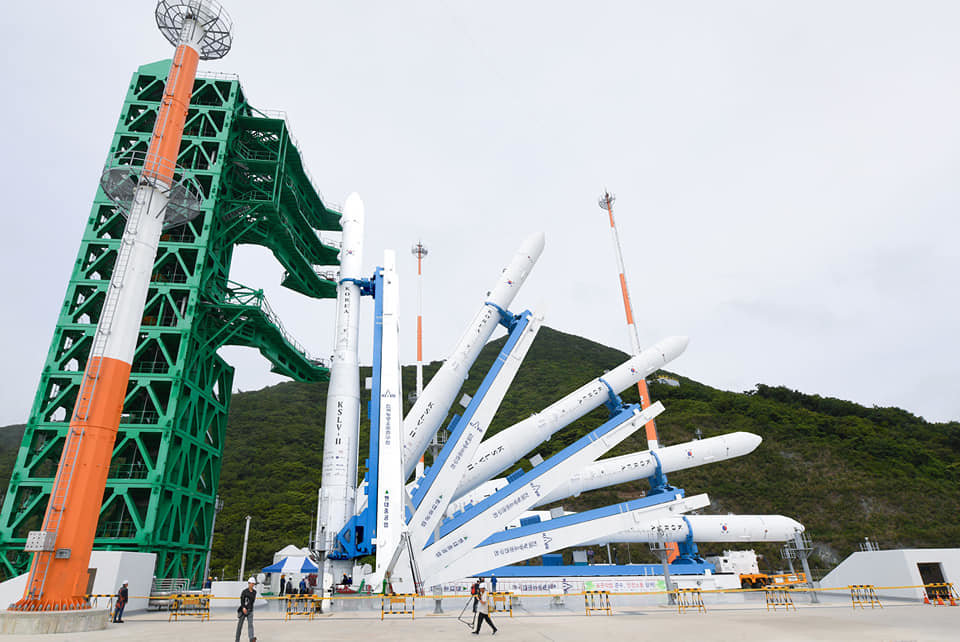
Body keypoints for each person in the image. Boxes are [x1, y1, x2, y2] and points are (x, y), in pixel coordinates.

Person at [236, 577, 257, 642]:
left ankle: (251, 638)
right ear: (248, 583)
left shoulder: (254, 592)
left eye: (253, 583)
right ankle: (237, 640)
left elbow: (252, 601)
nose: (252, 585)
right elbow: (242, 600)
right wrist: (243, 608)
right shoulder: (244, 592)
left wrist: (250, 609)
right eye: (251, 583)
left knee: (250, 625)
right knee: (240, 626)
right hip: (243, 610)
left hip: (250, 610)